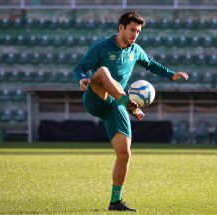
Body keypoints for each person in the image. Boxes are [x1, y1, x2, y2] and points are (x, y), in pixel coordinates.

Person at [73, 11, 189, 212]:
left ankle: (115, 202)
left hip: (116, 105)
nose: (135, 34)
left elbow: (152, 64)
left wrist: (172, 75)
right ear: (121, 28)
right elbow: (80, 68)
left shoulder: (136, 50)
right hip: (97, 98)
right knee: (103, 72)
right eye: (132, 30)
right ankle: (128, 104)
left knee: (124, 153)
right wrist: (82, 79)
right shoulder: (102, 47)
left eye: (138, 31)